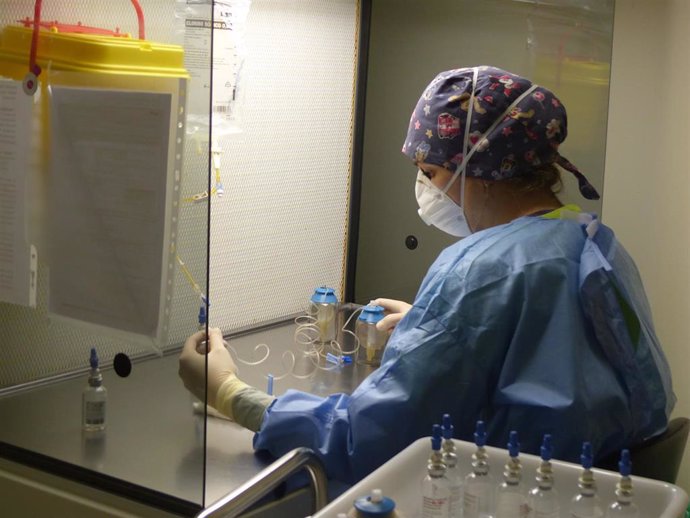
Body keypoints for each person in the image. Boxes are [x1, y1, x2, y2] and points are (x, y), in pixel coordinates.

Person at [179, 66, 675, 485]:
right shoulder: (591, 238)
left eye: (430, 172)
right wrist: (444, 327)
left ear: (478, 167)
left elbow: (367, 440)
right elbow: (584, 368)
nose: (425, 190)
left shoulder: (479, 271)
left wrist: (228, 392)